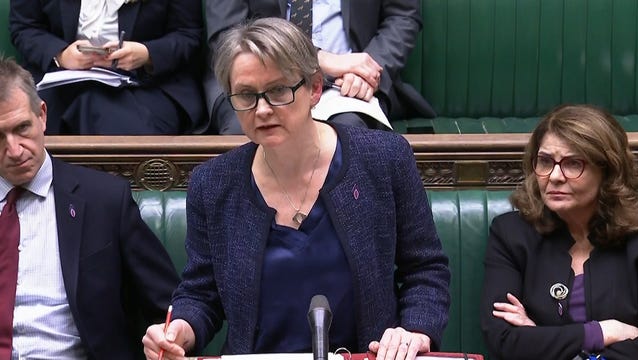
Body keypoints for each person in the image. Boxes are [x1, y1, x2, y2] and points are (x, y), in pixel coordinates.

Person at [142, 18, 450, 360]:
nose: (262, 109)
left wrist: (415, 331)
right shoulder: (212, 184)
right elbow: (202, 295)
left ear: (315, 89)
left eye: (277, 91)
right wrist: (180, 330)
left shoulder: (384, 158)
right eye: (246, 95)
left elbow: (425, 270)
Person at [0, 56, 180, 359]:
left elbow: (169, 307)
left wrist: (171, 336)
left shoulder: (104, 201)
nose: (15, 150)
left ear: (42, 115)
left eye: (22, 128)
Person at [481, 104, 638, 359]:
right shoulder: (511, 234)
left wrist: (540, 339)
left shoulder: (635, 239)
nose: (554, 176)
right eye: (545, 161)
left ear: (608, 170)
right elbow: (504, 339)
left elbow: (525, 346)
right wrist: (601, 332)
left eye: (573, 163)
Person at [203, 0, 437, 134]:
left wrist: (368, 69)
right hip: (260, 77)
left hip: (346, 83)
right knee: (243, 132)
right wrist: (319, 60)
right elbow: (227, 34)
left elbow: (403, 15)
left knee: (349, 133)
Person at [9, 0, 206, 135]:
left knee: (96, 108)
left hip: (148, 85)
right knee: (27, 121)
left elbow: (187, 34)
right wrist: (60, 54)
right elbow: (24, 27)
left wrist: (146, 54)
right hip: (60, 79)